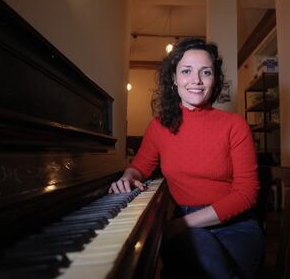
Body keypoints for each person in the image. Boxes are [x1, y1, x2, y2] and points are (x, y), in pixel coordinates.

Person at [109, 38, 263, 279]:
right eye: (186, 71)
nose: (196, 80)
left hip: (235, 225)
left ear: (215, 80)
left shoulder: (235, 125)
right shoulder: (159, 127)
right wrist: (129, 176)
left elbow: (247, 193)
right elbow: (140, 167)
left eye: (206, 72)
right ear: (173, 78)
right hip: (186, 227)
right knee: (211, 269)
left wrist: (180, 225)